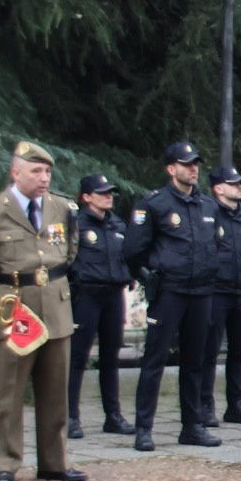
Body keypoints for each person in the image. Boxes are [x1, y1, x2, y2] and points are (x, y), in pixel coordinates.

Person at [0, 141, 86, 481]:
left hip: (55, 308)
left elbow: (69, 253)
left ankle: (54, 462)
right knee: (8, 392)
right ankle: (5, 464)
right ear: (16, 173)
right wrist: (0, 290)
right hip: (13, 311)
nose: (44, 178)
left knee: (56, 390)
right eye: (36, 171)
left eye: (47, 172)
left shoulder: (62, 207)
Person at [124, 141, 220, 452]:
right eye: (186, 163)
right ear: (171, 169)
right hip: (169, 292)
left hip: (201, 292)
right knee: (155, 359)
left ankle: (192, 426)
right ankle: (144, 428)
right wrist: (149, 278)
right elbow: (133, 251)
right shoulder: (154, 204)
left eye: (196, 164)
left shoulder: (207, 206)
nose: (193, 169)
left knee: (195, 361)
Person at [67, 173, 135, 439]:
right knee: (77, 357)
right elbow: (67, 257)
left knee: (111, 357)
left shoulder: (117, 224)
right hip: (86, 295)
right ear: (86, 197)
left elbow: (126, 255)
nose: (109, 196)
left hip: (113, 295)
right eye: (102, 192)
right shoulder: (76, 224)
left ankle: (113, 415)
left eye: (110, 192)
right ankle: (71, 417)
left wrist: (127, 274)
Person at [202, 165, 241, 430]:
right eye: (233, 183)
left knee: (240, 350)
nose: (240, 187)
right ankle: (205, 404)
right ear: (218, 188)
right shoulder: (207, 214)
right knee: (209, 351)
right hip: (215, 291)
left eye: (240, 182)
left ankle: (236, 404)